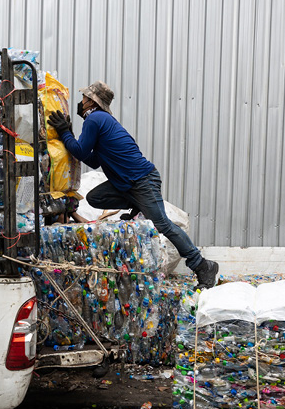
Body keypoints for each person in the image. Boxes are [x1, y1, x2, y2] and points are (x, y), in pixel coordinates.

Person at [47, 81, 219, 289]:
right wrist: (71, 134)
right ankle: (137, 204)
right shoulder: (102, 119)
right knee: (95, 198)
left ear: (91, 101)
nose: (81, 101)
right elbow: (93, 161)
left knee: (163, 224)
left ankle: (202, 265)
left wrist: (65, 133)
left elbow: (82, 152)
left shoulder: (95, 119)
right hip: (129, 184)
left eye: (84, 97)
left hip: (142, 181)